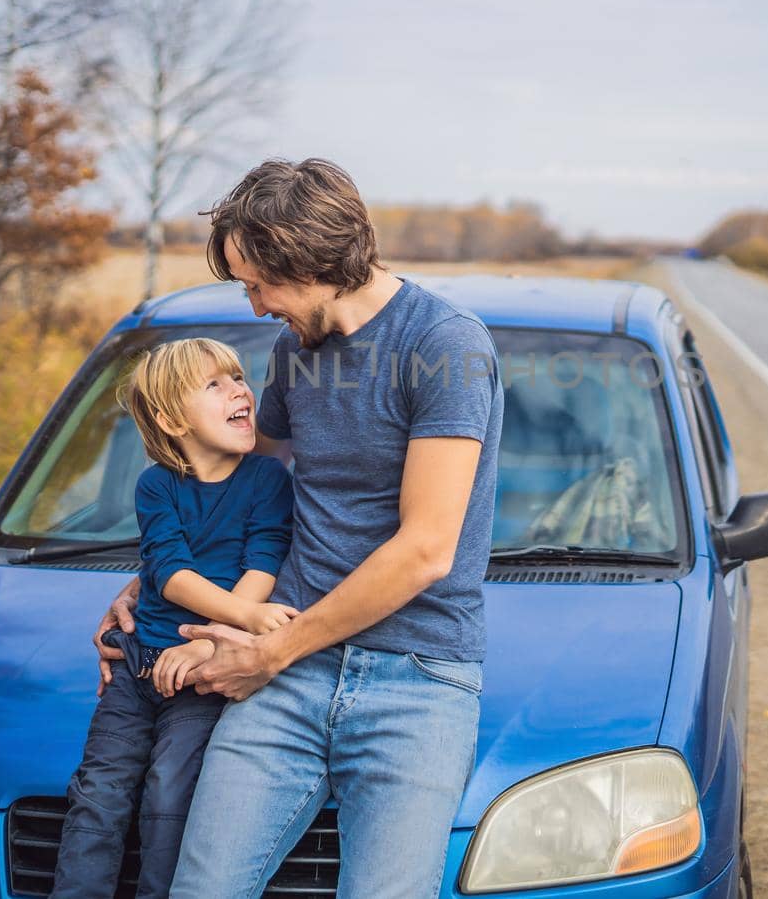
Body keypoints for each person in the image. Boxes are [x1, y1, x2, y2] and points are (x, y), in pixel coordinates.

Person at [93, 158, 504, 898]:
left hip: (418, 676)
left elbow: (424, 550)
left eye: (260, 283)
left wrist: (272, 649)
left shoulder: (445, 345)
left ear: (314, 260)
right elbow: (238, 488)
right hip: (289, 671)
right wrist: (151, 580)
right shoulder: (295, 352)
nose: (255, 307)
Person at [53, 337, 295, 899]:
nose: (239, 389)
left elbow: (265, 560)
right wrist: (245, 617)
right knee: (98, 795)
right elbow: (168, 571)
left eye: (237, 377)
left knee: (169, 794)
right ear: (170, 418)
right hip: (136, 671)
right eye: (214, 384)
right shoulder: (156, 485)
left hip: (201, 683)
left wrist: (220, 641)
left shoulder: (267, 481)